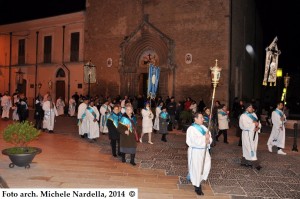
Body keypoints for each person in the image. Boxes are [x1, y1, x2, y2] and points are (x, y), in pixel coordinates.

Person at [186, 112, 212, 196]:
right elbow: (194, 141)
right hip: (196, 151)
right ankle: (197, 186)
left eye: (203, 118)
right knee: (197, 168)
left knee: (205, 166)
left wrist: (208, 140)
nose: (203, 119)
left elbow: (209, 137)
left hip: (204, 150)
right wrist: (205, 138)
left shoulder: (204, 127)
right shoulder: (191, 129)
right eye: (201, 118)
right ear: (195, 119)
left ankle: (199, 180)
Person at [239, 103, 262, 170]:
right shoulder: (243, 116)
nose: (251, 108)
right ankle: (255, 163)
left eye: (251, 107)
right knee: (250, 148)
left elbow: (258, 122)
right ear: (246, 108)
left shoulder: (254, 114)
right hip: (247, 134)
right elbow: (243, 126)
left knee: (253, 147)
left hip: (254, 133)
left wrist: (258, 127)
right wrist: (253, 125)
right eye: (249, 107)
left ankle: (244, 162)